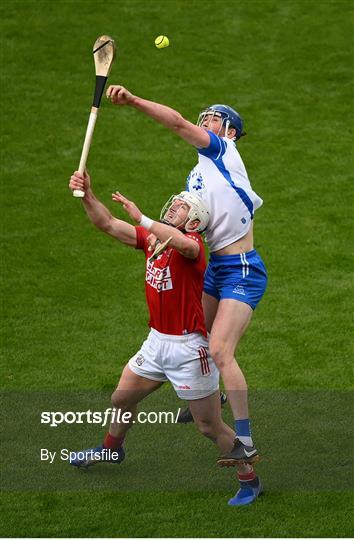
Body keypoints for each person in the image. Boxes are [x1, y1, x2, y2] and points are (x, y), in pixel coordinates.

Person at [68, 170, 262, 506]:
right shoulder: (152, 239)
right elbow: (108, 225)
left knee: (208, 427)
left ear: (195, 221)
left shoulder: (194, 247)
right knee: (120, 399)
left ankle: (250, 479)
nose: (175, 205)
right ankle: (112, 450)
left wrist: (141, 216)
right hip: (156, 342)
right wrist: (88, 194)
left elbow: (185, 244)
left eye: (184, 205)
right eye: (175, 202)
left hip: (190, 351)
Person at [105, 86, 268, 471]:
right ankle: (211, 401)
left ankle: (243, 437)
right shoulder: (198, 172)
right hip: (215, 267)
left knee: (220, 351)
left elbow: (176, 123)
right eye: (204, 117)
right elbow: (188, 219)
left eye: (214, 118)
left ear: (228, 131)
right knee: (197, 338)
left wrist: (133, 101)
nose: (205, 121)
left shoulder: (224, 150)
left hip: (241, 267)